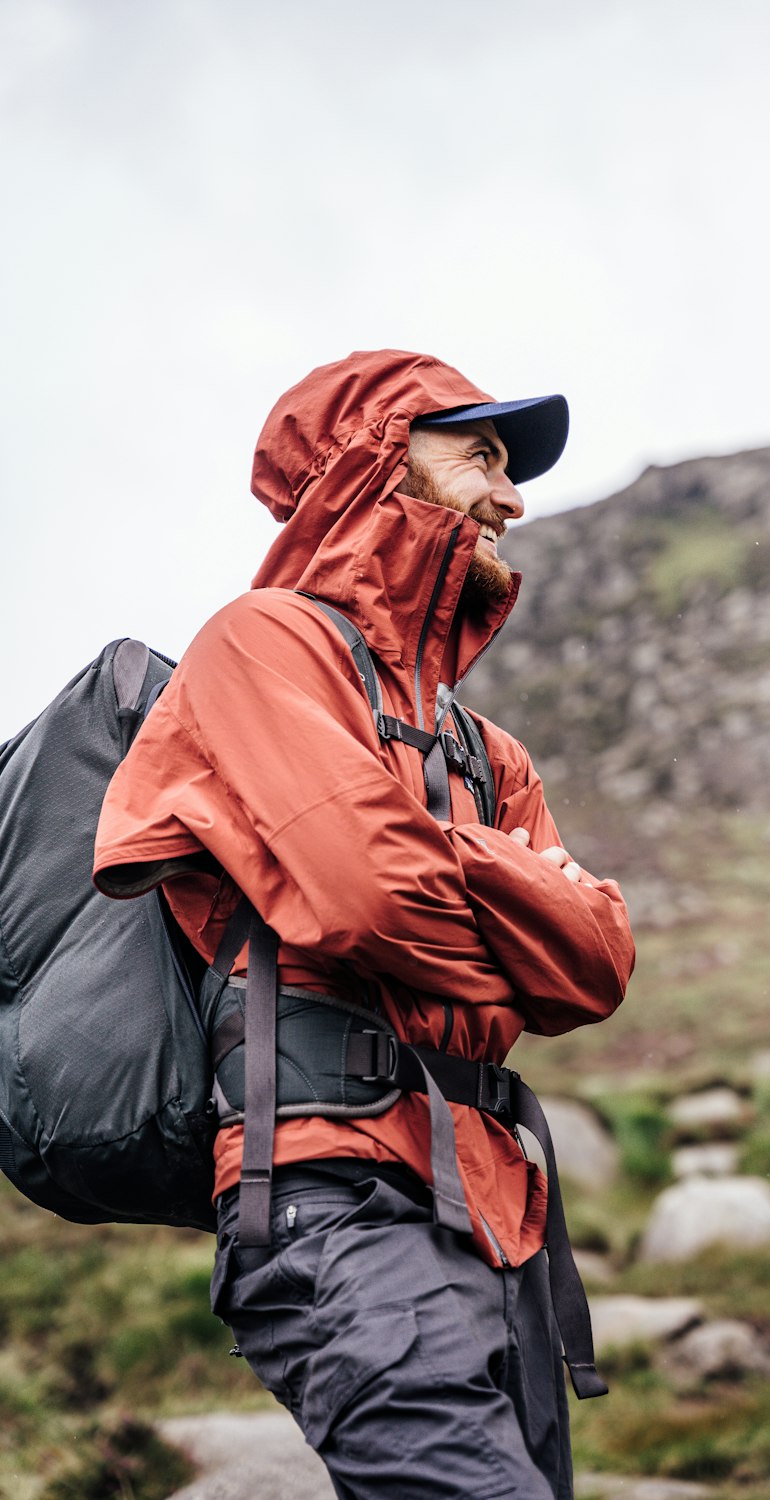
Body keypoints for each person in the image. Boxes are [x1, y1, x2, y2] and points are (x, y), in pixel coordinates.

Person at [94, 349, 635, 1499]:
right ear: (371, 461)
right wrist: (511, 917)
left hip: (502, 1224)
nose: (511, 496)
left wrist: (446, 862)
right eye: (479, 456)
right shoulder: (262, 645)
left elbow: (594, 968)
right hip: (333, 1198)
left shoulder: (492, 753)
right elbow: (365, 898)